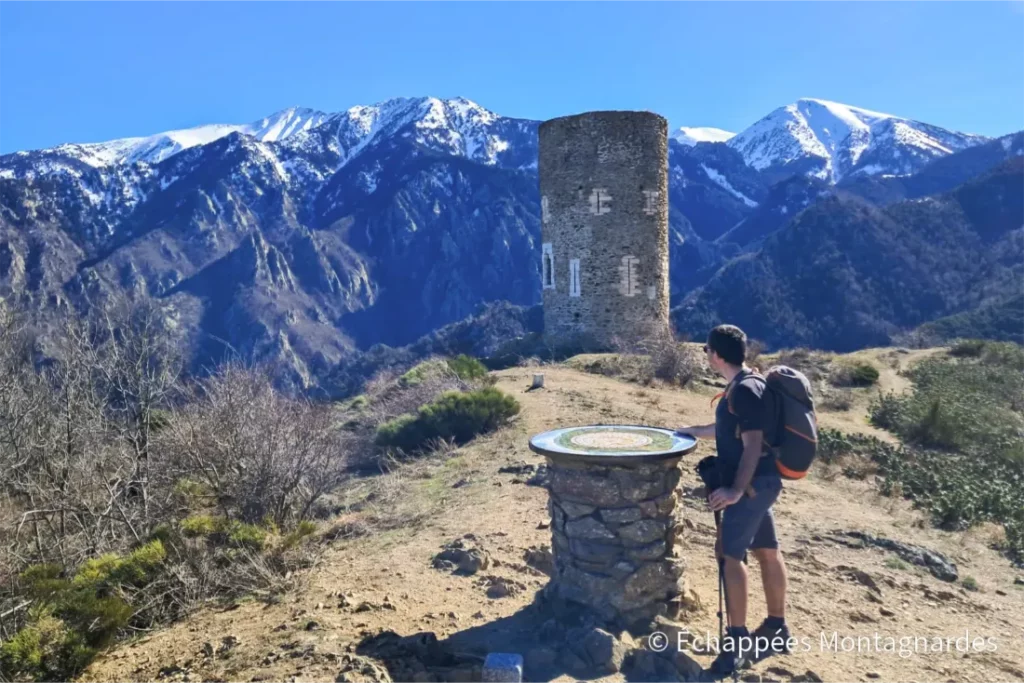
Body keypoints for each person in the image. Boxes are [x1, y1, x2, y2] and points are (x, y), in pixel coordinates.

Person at [677, 324, 790, 676]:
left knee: (730, 555)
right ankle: (775, 628)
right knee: (767, 550)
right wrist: (691, 432)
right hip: (762, 483)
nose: (706, 356)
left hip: (752, 485)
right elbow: (729, 431)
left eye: (706, 350)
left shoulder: (743, 391)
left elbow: (753, 443)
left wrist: (736, 490)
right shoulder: (745, 385)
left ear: (716, 354)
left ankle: (737, 642)